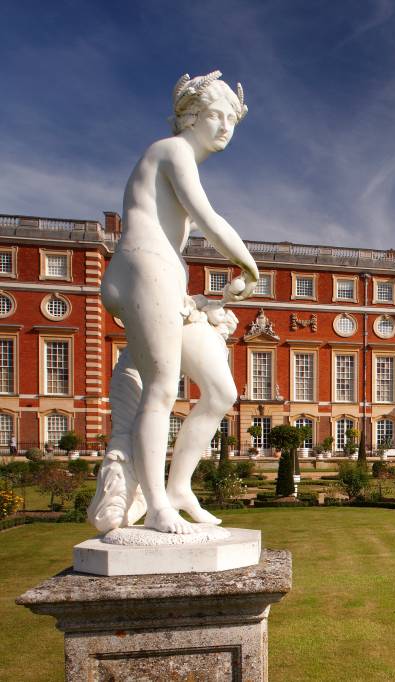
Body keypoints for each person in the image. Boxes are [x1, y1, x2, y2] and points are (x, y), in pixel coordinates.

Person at [89, 71, 257, 535]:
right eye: (215, 116)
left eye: (231, 120)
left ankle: (180, 487)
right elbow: (209, 218)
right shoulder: (172, 150)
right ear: (189, 117)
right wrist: (251, 267)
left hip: (169, 281)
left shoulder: (182, 158)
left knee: (222, 392)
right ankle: (158, 504)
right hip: (143, 267)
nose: (224, 127)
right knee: (162, 387)